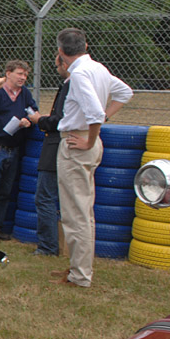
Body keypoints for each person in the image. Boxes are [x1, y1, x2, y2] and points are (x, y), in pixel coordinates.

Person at [52, 28, 133, 288]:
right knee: (83, 210)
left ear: (61, 52)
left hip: (78, 143)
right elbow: (125, 94)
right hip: (89, 142)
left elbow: (95, 114)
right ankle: (79, 267)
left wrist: (88, 137)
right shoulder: (99, 69)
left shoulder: (79, 74)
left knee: (75, 213)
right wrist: (96, 131)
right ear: (85, 45)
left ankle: (80, 276)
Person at [0, 59, 36, 234]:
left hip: (14, 149)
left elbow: (33, 110)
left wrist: (29, 120)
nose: (23, 78)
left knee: (5, 191)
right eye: (19, 73)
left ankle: (0, 228)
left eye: (25, 75)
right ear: (8, 73)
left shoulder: (24, 93)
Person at [25, 54, 70, 256]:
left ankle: (48, 247)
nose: (56, 69)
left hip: (56, 147)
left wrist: (39, 119)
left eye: (57, 64)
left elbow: (59, 120)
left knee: (45, 197)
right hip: (66, 147)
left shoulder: (71, 86)